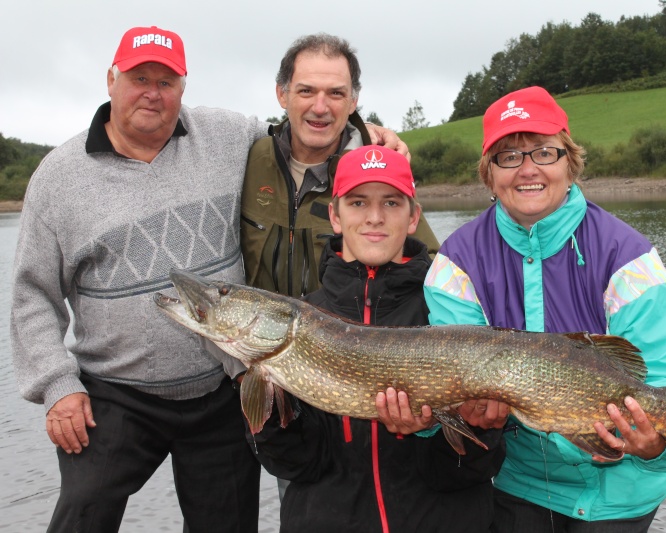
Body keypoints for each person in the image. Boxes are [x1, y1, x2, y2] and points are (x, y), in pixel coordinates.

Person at [8, 25, 408, 533]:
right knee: (82, 512)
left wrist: (370, 134)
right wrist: (57, 386)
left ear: (183, 87)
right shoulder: (57, 178)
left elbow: (309, 131)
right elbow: (31, 296)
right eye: (139, 78)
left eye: (167, 81)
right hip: (115, 393)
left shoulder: (227, 135)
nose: (153, 93)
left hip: (225, 384)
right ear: (111, 80)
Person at [423, 86, 666, 532]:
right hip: (519, 485)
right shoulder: (455, 262)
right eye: (509, 157)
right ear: (489, 174)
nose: (528, 170)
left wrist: (655, 447)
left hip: (620, 493)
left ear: (569, 164)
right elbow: (447, 380)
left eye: (544, 153)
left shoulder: (627, 256)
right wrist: (458, 413)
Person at [250, 144, 505, 532]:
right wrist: (267, 411)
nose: (374, 217)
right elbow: (297, 465)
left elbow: (462, 474)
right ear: (334, 216)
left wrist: (479, 428)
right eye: (357, 203)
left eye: (390, 203)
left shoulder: (451, 310)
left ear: (413, 216)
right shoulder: (301, 320)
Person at [240, 33, 439, 299]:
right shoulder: (249, 158)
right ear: (282, 95)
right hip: (258, 336)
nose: (320, 107)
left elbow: (433, 265)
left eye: (336, 93)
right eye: (306, 91)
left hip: (347, 337)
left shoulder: (377, 167)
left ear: (352, 102)